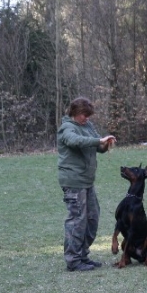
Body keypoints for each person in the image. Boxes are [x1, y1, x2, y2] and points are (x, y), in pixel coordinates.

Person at [57, 97, 116, 272]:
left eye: (88, 115)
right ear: (75, 113)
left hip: (87, 181)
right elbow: (74, 141)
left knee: (92, 218)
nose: (87, 118)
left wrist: (105, 144)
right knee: (77, 221)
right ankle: (73, 260)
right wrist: (98, 141)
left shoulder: (87, 126)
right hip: (73, 181)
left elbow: (98, 146)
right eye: (84, 115)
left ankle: (82, 255)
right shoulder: (67, 128)